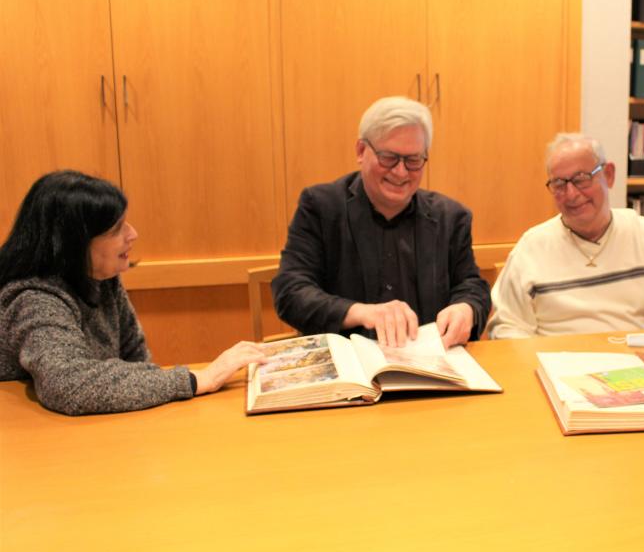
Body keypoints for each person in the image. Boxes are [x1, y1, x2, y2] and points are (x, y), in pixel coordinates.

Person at [0, 171, 268, 416]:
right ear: (73, 243)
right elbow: (67, 384)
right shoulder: (33, 299)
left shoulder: (102, 278)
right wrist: (197, 379)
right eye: (116, 229)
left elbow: (136, 362)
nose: (133, 234)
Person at [271, 96, 491, 349]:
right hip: (347, 370)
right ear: (361, 151)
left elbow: (472, 286)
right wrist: (363, 313)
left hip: (430, 368)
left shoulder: (451, 217)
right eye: (389, 158)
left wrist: (466, 309)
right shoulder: (320, 207)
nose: (400, 172)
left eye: (413, 160)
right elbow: (291, 292)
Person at [486, 133, 644, 348]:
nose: (571, 194)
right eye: (559, 184)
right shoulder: (531, 247)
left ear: (608, 175)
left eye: (581, 179)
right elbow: (507, 326)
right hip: (559, 369)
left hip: (638, 367)